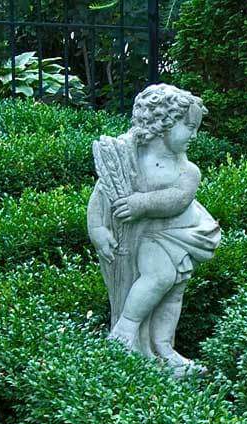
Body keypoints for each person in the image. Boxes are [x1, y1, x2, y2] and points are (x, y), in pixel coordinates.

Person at [87, 83, 221, 376]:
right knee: (159, 276)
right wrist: (98, 230)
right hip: (150, 239)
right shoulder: (128, 159)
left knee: (173, 292)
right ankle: (125, 329)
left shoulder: (187, 170)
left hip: (180, 236)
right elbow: (101, 195)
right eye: (189, 126)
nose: (194, 135)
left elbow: (179, 199)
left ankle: (164, 347)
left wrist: (142, 203)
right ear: (164, 122)